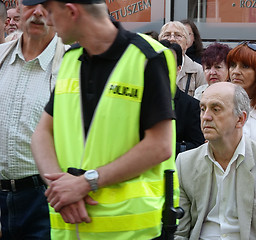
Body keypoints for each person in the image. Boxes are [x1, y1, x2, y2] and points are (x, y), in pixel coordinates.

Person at [28, 0, 178, 238]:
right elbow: (41, 134)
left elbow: (160, 146)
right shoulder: (71, 60)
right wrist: (60, 190)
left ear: (71, 11)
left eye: (51, 11)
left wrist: (85, 183)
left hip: (129, 233)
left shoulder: (147, 57)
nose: (48, 19)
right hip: (71, 231)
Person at [175, 82, 256, 239]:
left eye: (216, 109)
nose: (206, 116)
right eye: (203, 109)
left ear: (241, 119)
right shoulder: (185, 163)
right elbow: (179, 233)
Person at [0, 0, 67, 239]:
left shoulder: (72, 66)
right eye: (31, 3)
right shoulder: (1, 58)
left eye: (47, 4)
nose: (38, 12)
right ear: (18, 7)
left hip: (44, 199)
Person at [160, 39, 205, 155]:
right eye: (158, 62)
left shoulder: (192, 106)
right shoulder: (139, 101)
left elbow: (197, 147)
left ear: (178, 69)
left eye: (168, 63)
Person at [159, 21, 206, 97]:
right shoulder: (151, 67)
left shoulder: (198, 71)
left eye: (178, 35)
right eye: (167, 35)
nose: (172, 39)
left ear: (187, 43)